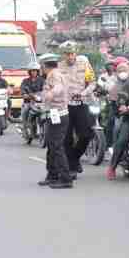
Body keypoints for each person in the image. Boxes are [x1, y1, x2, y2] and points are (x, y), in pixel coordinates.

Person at [58, 41, 95, 177]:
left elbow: (92, 83)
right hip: (65, 104)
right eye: (67, 54)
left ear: (76, 54)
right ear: (64, 55)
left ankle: (74, 158)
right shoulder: (59, 67)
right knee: (66, 138)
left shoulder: (84, 64)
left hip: (81, 103)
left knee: (86, 135)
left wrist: (83, 93)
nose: (70, 57)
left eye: (72, 53)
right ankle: (72, 167)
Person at [38, 53, 73, 189]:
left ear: (44, 66)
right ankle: (52, 175)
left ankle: (65, 178)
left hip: (58, 114)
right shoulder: (57, 73)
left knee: (57, 146)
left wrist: (50, 94)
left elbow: (58, 88)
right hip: (55, 114)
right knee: (52, 146)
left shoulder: (54, 75)